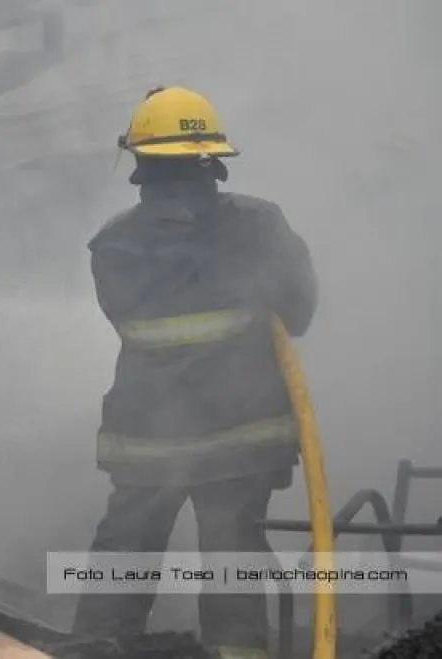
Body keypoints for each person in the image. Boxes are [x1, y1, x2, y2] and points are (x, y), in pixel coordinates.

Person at [72, 86, 318, 659]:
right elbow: (299, 315)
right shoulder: (261, 226)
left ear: (140, 164)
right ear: (214, 161)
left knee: (122, 562)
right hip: (244, 438)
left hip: (148, 440)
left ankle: (90, 652)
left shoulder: (113, 245)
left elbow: (129, 321)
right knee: (232, 564)